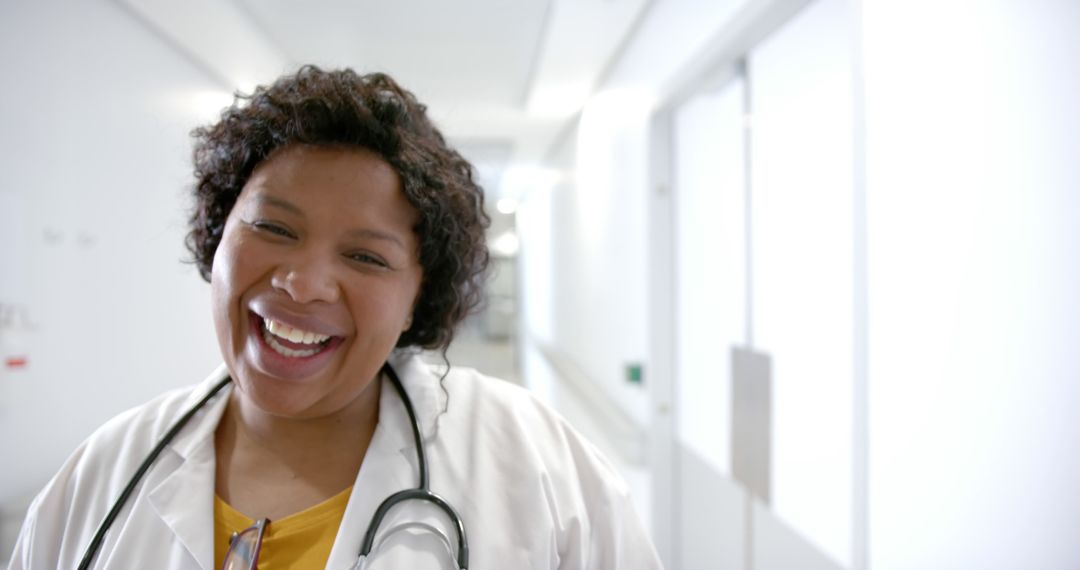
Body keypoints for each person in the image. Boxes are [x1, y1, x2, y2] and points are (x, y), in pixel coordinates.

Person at [8, 66, 663, 569]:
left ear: (419, 300)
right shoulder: (104, 473)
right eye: (272, 226)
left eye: (365, 257)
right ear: (218, 231)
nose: (304, 282)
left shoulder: (537, 468)